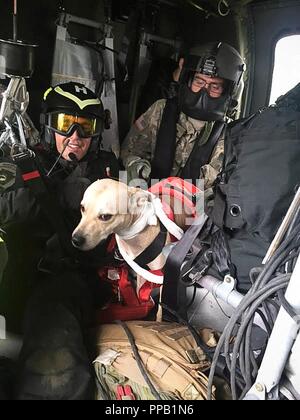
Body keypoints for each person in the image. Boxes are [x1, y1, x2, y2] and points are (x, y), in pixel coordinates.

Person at [0, 82, 119, 399]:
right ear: (48, 124)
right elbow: (6, 207)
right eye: (67, 125)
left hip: (85, 276)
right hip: (34, 275)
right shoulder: (25, 162)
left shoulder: (105, 167)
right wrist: (54, 183)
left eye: (86, 127)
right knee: (54, 361)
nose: (76, 137)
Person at [121, 42, 245, 193]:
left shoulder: (229, 136)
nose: (203, 91)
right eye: (199, 81)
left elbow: (220, 188)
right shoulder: (160, 109)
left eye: (214, 86)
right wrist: (135, 165)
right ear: (188, 80)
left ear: (228, 92)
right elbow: (130, 150)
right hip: (148, 198)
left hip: (194, 210)